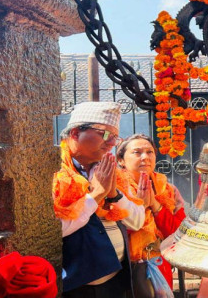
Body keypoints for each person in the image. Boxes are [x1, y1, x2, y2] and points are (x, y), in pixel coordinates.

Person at [52, 102, 145, 297]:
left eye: (115, 138)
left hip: (116, 278)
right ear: (76, 133)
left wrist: (113, 195)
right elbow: (54, 229)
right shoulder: (53, 171)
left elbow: (137, 221)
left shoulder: (110, 169)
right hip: (77, 286)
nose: (111, 144)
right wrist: (95, 196)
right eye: (104, 135)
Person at [115, 134, 186, 290]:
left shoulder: (168, 190)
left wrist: (154, 205)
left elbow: (179, 232)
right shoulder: (114, 190)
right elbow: (113, 231)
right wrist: (139, 208)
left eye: (149, 152)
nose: (145, 157)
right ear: (121, 160)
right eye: (137, 152)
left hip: (158, 265)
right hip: (123, 268)